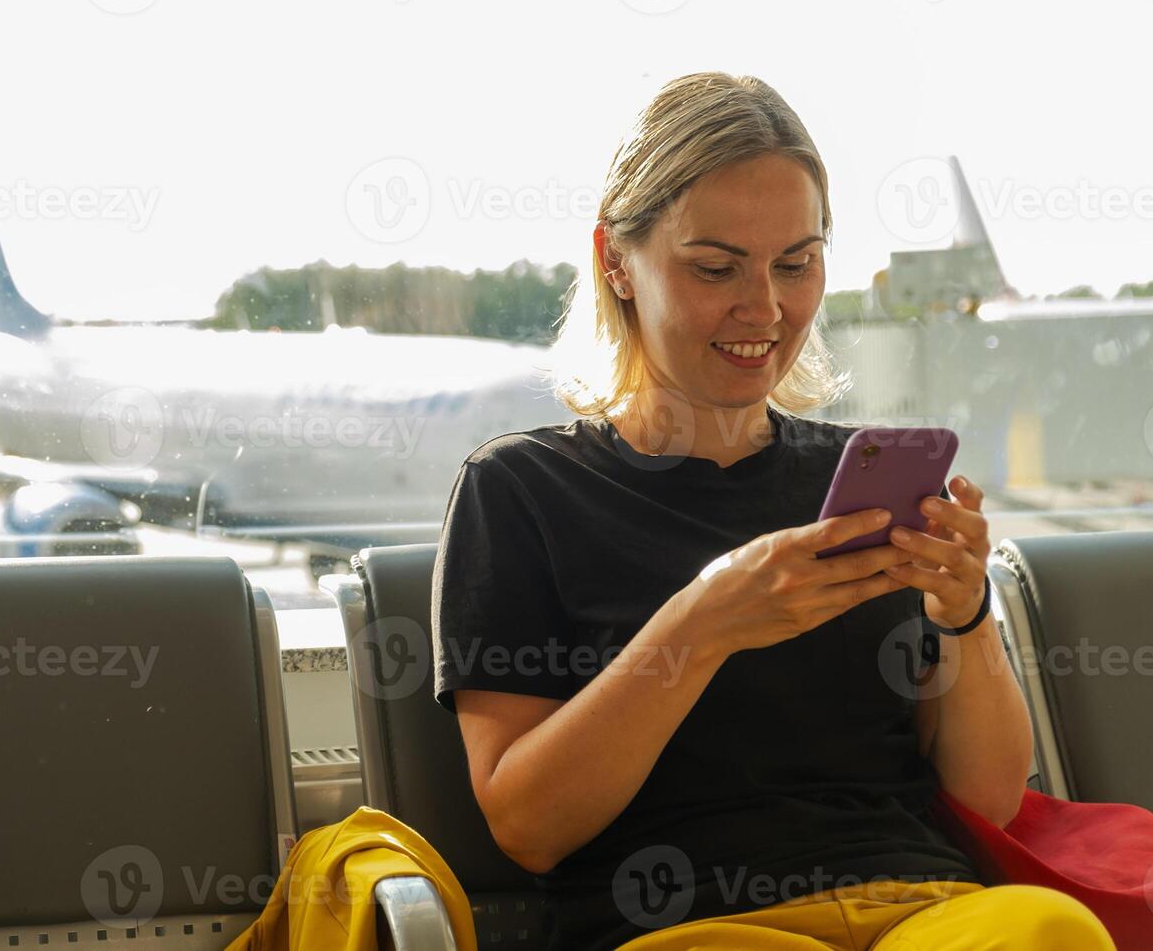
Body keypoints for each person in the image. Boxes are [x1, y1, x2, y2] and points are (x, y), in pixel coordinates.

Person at [429, 72, 1115, 951]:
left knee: (1052, 927)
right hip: (697, 924)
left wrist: (965, 612)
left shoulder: (861, 480)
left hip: (923, 906)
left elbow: (986, 800)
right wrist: (704, 622)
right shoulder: (520, 492)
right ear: (615, 262)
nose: (767, 307)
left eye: (797, 263)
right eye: (715, 268)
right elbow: (529, 826)